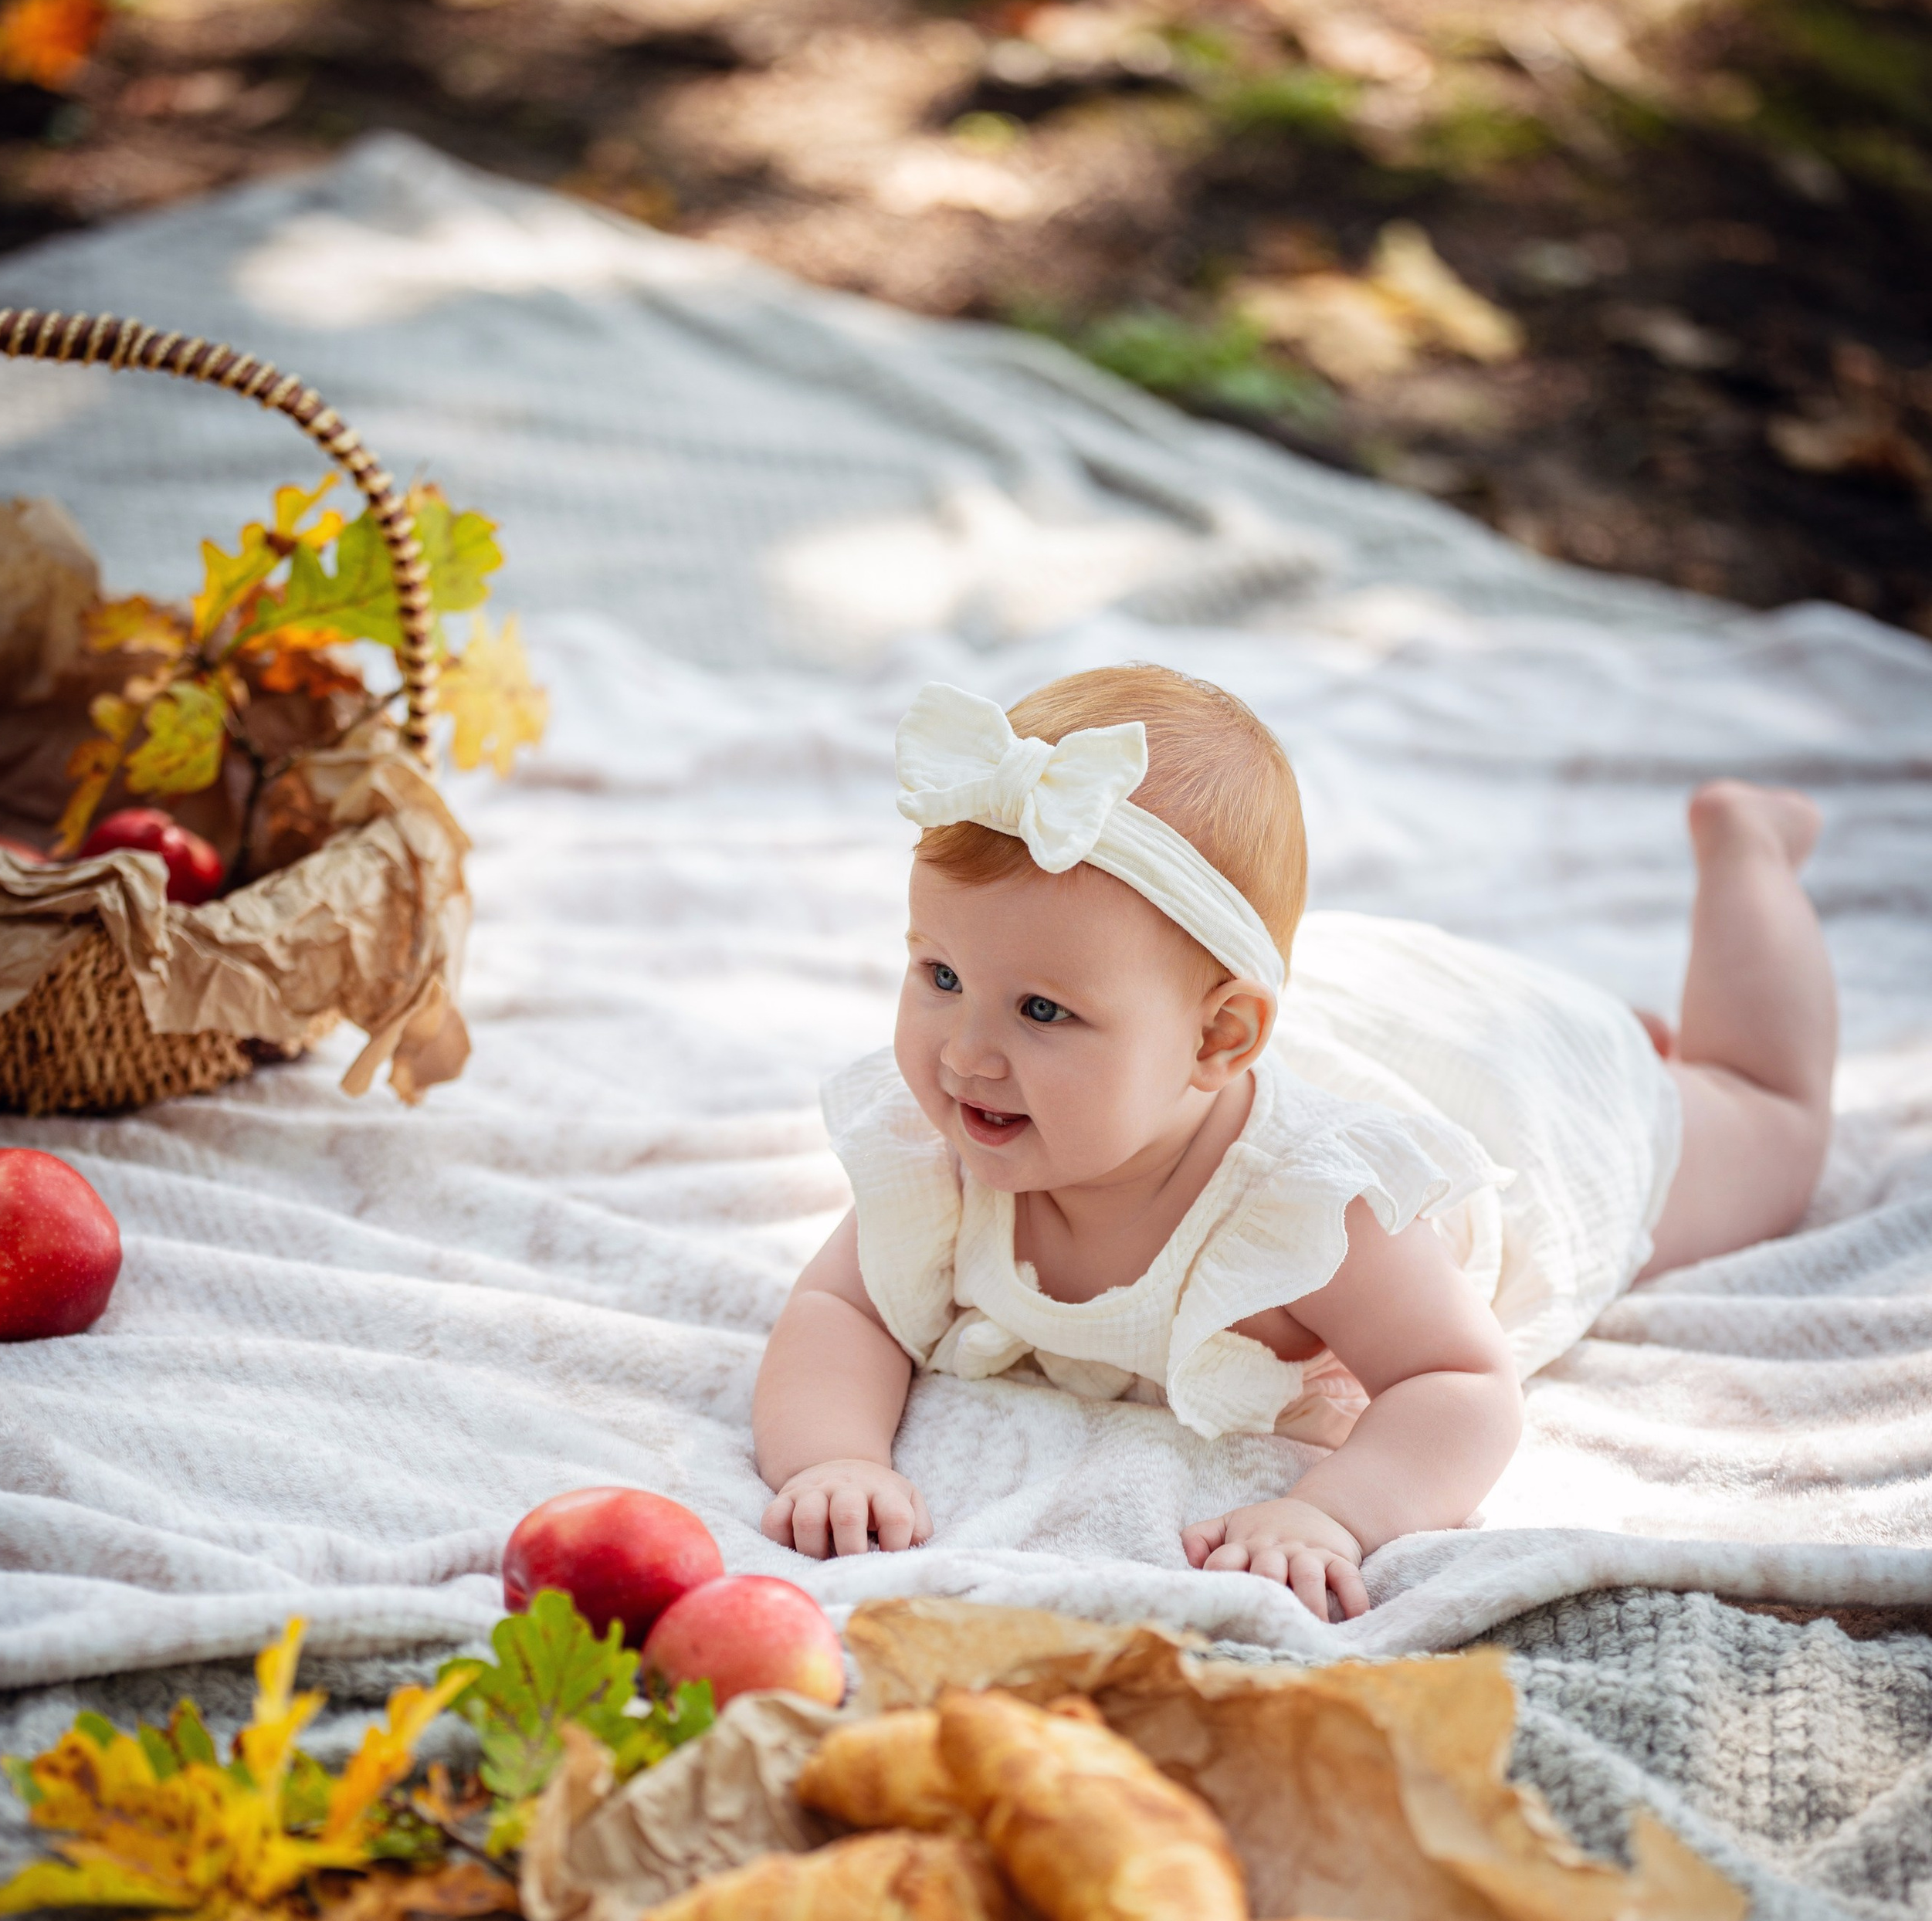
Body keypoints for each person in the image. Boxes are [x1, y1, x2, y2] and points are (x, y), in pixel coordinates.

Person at [754, 666, 1834, 1621]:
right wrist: (834, 1458)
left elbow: (1459, 1379)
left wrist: (1333, 1513)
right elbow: (844, 1308)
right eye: (940, 976)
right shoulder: (952, 1147)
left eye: (1042, 1011)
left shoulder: (1313, 1207)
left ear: (1217, 1039)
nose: (965, 1054)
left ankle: (1746, 853)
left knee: (1770, 1127)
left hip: (1518, 1100)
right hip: (1329, 1018)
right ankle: (1625, 1023)